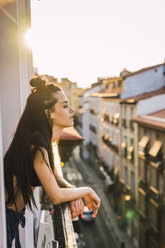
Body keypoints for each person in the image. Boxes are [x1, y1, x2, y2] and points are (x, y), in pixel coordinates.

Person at [4, 76, 100, 248]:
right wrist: (86, 190)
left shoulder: (43, 141)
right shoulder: (37, 145)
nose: (72, 110)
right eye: (64, 106)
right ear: (49, 113)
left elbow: (54, 175)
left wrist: (72, 190)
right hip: (5, 218)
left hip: (11, 217)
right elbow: (55, 195)